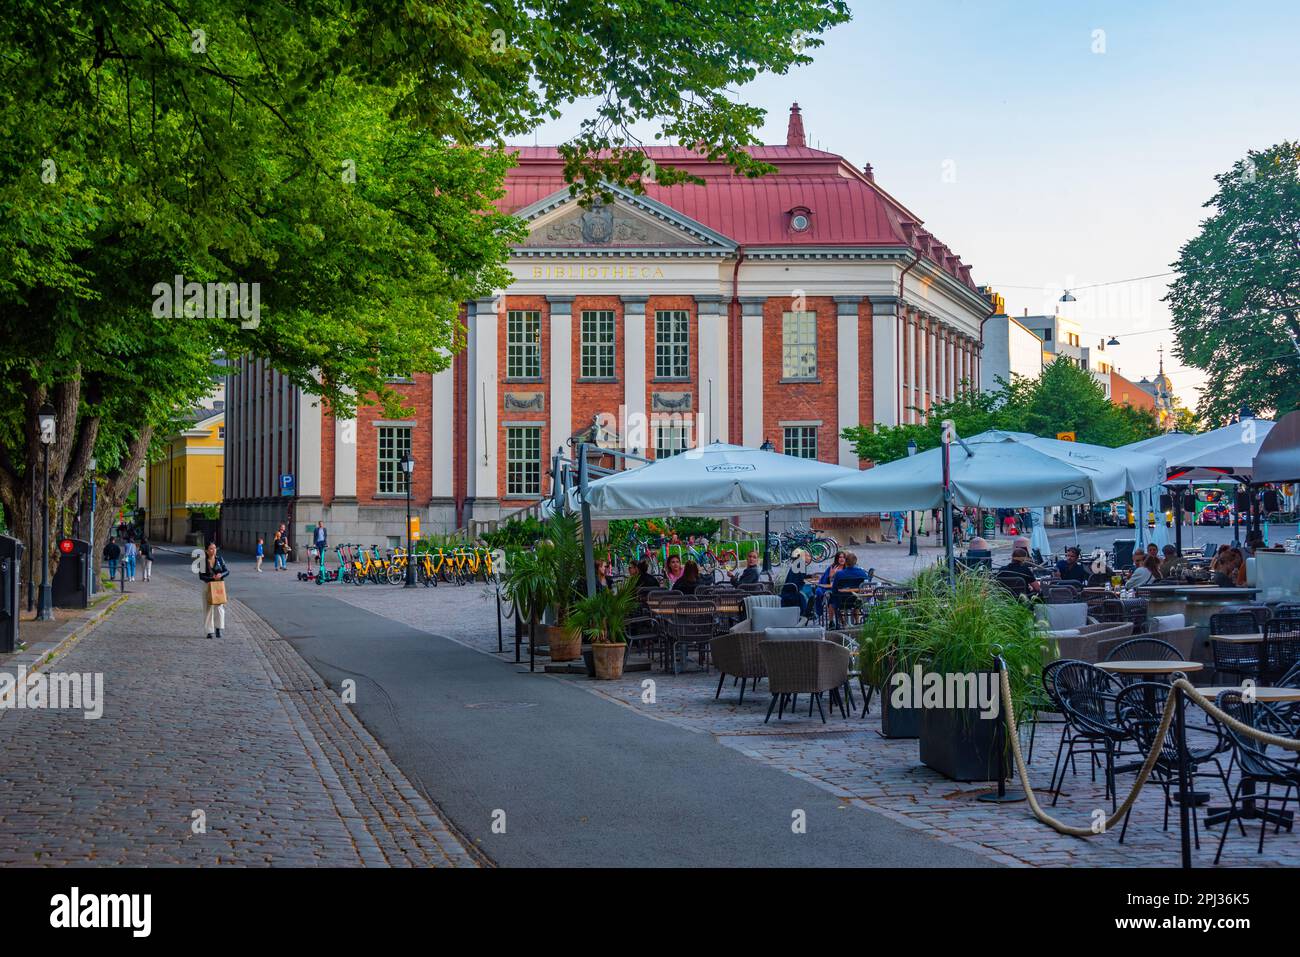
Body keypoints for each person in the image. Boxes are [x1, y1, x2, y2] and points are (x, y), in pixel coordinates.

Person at [827, 552, 869, 626]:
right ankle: (857, 621)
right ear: (856, 561)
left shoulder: (839, 574)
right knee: (856, 597)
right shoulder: (862, 573)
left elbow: (834, 589)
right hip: (857, 600)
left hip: (841, 601)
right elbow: (866, 585)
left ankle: (831, 622)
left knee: (831, 600)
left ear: (845, 562)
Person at [199, 540, 230, 639]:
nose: (214, 550)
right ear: (207, 551)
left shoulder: (220, 559)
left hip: (218, 586)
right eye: (211, 548)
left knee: (219, 608)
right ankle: (209, 631)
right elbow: (201, 576)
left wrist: (221, 574)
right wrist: (212, 578)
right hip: (208, 586)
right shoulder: (202, 561)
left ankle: (218, 629)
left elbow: (227, 571)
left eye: (215, 548)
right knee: (208, 609)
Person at [813, 551, 847, 618]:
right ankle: (836, 618)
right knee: (828, 596)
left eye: (843, 557)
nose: (842, 559)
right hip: (832, 589)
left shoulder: (847, 568)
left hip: (844, 591)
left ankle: (840, 618)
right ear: (837, 559)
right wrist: (830, 576)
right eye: (840, 557)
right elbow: (825, 581)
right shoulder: (832, 567)